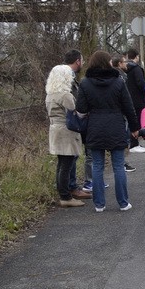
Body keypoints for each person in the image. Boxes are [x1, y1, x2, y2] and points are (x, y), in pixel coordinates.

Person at [75, 50, 138, 212]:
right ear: (107, 63)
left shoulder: (85, 83)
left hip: (94, 126)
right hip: (116, 125)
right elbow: (128, 106)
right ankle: (123, 203)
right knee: (118, 166)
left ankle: (99, 204)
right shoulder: (118, 82)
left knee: (97, 166)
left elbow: (81, 109)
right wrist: (134, 127)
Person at [45, 64, 86, 207]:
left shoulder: (50, 94)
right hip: (66, 131)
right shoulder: (65, 95)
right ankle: (66, 197)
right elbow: (75, 112)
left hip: (55, 129)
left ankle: (63, 194)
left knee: (61, 164)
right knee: (67, 165)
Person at [125, 49, 145, 153]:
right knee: (136, 121)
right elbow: (141, 83)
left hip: (127, 98)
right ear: (137, 56)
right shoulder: (136, 68)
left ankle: (130, 143)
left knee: (129, 121)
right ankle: (134, 144)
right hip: (137, 99)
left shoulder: (124, 68)